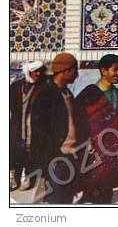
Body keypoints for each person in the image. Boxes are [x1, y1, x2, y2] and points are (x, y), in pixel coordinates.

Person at [76, 53, 118, 204]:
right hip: (92, 150)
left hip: (109, 149)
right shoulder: (90, 93)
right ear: (103, 71)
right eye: (115, 69)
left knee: (106, 189)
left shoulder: (115, 92)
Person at [30, 53, 81, 204]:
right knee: (56, 203)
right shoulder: (46, 94)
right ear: (65, 71)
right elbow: (40, 132)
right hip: (57, 160)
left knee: (65, 201)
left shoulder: (66, 92)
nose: (77, 75)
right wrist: (53, 158)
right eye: (74, 70)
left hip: (70, 157)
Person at [10, 60, 46, 191]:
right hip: (17, 125)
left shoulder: (43, 87)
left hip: (34, 126)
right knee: (14, 150)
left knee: (30, 151)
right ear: (28, 72)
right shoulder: (15, 86)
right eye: (34, 71)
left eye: (39, 71)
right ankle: (14, 177)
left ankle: (28, 177)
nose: (37, 74)